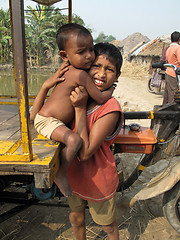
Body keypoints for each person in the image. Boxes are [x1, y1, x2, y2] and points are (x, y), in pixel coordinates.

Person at [31, 42, 123, 239]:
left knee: (108, 226)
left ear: (117, 76)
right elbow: (39, 114)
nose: (101, 73)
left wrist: (80, 109)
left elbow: (85, 152)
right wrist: (47, 85)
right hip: (74, 176)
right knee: (76, 218)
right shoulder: (78, 94)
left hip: (98, 180)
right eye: (96, 66)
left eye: (109, 69)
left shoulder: (109, 108)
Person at [33, 23, 114, 197]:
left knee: (74, 140)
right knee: (75, 141)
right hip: (47, 121)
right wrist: (111, 89)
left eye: (91, 50)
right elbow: (100, 97)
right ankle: (61, 173)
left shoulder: (70, 69)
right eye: (81, 52)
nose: (89, 57)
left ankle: (62, 173)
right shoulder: (80, 75)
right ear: (64, 55)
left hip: (45, 118)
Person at [163, 31, 180, 104]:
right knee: (173, 95)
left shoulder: (169, 48)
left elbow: (167, 60)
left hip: (168, 72)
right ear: (179, 39)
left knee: (167, 94)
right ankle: (171, 112)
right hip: (174, 73)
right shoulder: (178, 48)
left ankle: (163, 111)